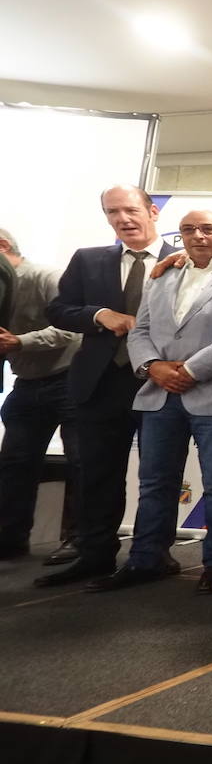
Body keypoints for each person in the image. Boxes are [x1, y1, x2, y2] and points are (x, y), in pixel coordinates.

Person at [88, 211, 212, 593]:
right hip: (158, 394)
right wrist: (153, 367)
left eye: (208, 229)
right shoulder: (162, 276)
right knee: (154, 483)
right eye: (188, 230)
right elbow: (140, 329)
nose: (197, 235)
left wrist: (191, 371)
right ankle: (148, 559)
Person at [36, 185, 176, 588]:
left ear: (152, 211)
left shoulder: (183, 259)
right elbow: (58, 309)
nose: (123, 219)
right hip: (99, 383)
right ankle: (94, 554)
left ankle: (152, 555)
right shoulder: (89, 259)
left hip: (157, 381)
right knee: (97, 473)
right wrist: (99, 314)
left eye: (130, 210)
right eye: (113, 212)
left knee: (158, 474)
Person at [0, 228, 81, 562]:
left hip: (70, 379)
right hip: (27, 382)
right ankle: (9, 540)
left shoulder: (48, 276)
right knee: (14, 463)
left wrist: (21, 342)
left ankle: (80, 540)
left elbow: (73, 327)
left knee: (81, 461)